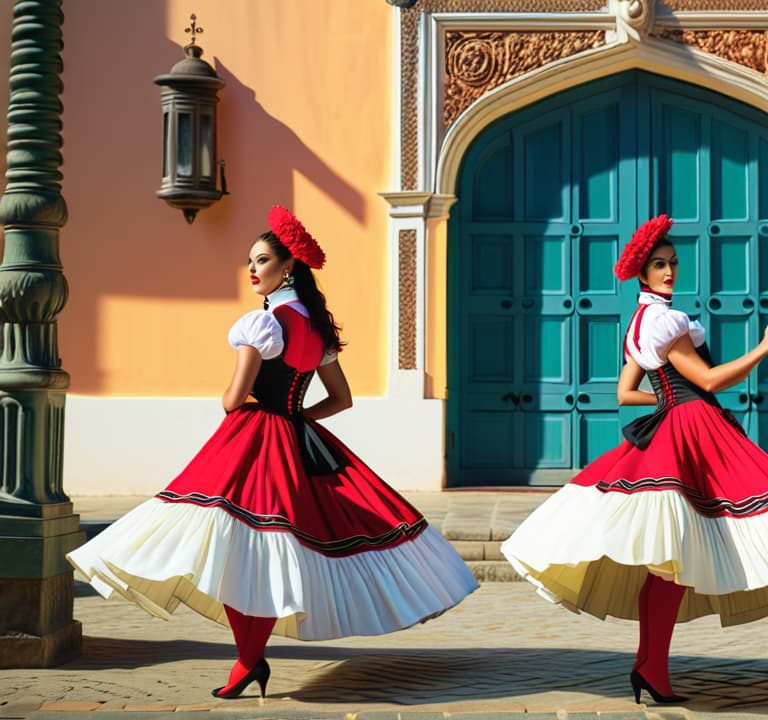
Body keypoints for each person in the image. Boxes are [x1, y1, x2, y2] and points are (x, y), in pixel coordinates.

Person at [68, 206, 478, 699]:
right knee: (262, 552)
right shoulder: (317, 330)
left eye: (261, 260)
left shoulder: (259, 325)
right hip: (296, 436)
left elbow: (232, 400)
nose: (252, 269)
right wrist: (300, 418)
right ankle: (247, 662)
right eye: (250, 261)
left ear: (288, 267)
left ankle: (247, 661)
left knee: (239, 550)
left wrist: (253, 395)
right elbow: (342, 399)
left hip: (254, 437)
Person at [502, 215, 768, 704]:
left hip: (681, 424)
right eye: (659, 265)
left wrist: (670, 400)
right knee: (675, 556)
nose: (670, 271)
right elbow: (710, 381)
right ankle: (651, 667)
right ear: (642, 273)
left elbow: (625, 392)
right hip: (694, 432)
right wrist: (763, 349)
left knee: (668, 559)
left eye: (673, 263)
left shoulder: (642, 320)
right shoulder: (666, 321)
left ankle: (650, 667)